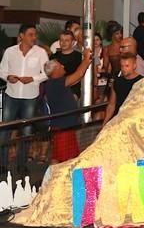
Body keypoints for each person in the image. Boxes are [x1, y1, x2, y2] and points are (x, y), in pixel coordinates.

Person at [0, 24, 49, 167]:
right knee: (6, 131)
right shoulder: (10, 51)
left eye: (35, 35)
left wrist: (32, 79)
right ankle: (2, 164)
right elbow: (2, 70)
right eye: (31, 34)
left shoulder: (40, 52)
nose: (34, 37)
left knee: (27, 131)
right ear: (21, 36)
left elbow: (46, 73)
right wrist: (8, 77)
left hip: (30, 97)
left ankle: (22, 165)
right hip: (11, 95)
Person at [43, 49, 93, 163]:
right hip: (62, 127)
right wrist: (86, 59)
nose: (63, 66)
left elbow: (78, 78)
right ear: (55, 69)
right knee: (60, 158)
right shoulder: (56, 83)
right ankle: (55, 179)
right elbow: (78, 74)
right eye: (60, 65)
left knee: (66, 156)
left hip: (65, 126)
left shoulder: (54, 83)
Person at [103, 53, 144, 124]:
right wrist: (105, 122)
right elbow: (112, 105)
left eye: (127, 66)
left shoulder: (142, 82)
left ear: (134, 66)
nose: (124, 69)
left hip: (135, 120)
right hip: (118, 119)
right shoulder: (117, 81)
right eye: (122, 66)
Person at [51, 30, 83, 98]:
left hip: (72, 91)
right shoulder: (53, 57)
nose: (63, 43)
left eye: (67, 40)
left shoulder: (79, 57)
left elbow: (81, 75)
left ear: (73, 42)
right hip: (55, 90)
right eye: (61, 40)